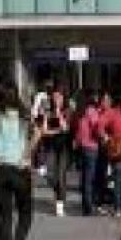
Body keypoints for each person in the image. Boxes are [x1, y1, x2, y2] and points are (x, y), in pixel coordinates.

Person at [0, 82, 38, 240]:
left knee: (5, 216)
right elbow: (37, 134)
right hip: (20, 168)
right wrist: (26, 155)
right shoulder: (24, 115)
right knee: (26, 213)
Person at [40, 84, 71, 215]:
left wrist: (58, 112)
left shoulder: (67, 110)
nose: (56, 99)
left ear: (63, 98)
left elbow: (65, 127)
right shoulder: (47, 110)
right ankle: (58, 192)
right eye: (54, 96)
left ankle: (60, 204)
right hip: (50, 147)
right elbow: (44, 131)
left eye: (59, 97)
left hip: (63, 147)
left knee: (61, 175)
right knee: (49, 174)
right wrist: (55, 130)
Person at [73, 90, 101, 216]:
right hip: (91, 147)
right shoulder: (91, 111)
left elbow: (78, 132)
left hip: (82, 147)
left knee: (84, 177)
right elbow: (96, 127)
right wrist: (101, 137)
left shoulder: (80, 113)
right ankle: (88, 206)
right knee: (89, 178)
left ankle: (85, 205)